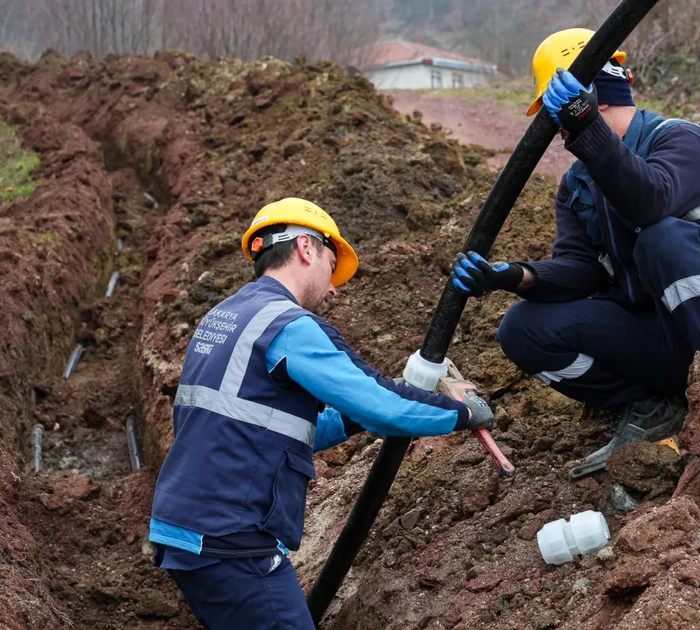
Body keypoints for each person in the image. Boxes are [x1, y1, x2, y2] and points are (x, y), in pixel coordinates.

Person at [449, 28, 700, 480]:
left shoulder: (682, 140)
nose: (556, 131)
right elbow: (582, 270)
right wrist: (514, 277)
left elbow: (650, 200)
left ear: (589, 97)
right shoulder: (578, 183)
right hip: (663, 335)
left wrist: (585, 125)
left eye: (556, 117)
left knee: (663, 238)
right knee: (524, 329)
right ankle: (652, 409)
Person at [149, 197, 495, 629]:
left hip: (187, 529)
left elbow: (269, 426)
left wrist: (350, 416)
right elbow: (383, 406)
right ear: (306, 249)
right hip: (230, 538)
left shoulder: (226, 315)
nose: (334, 288)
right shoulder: (287, 325)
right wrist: (462, 413)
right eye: (332, 268)